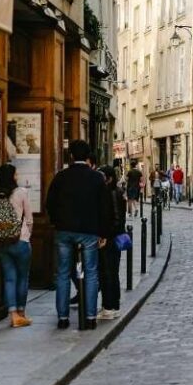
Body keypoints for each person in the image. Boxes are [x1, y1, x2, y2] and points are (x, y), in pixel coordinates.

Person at [45, 138, 110, 330]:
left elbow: (49, 203)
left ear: (71, 156)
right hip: (89, 232)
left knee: (63, 273)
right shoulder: (97, 178)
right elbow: (104, 207)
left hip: (64, 231)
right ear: (88, 156)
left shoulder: (61, 177)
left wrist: (57, 222)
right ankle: (90, 317)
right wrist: (103, 232)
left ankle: (63, 318)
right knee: (91, 273)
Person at [0, 163, 33, 328]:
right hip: (20, 240)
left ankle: (13, 315)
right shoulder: (21, 192)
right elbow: (29, 218)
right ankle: (22, 312)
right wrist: (27, 234)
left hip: (2, 241)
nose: (17, 176)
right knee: (23, 278)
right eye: (16, 174)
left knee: (9, 278)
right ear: (12, 176)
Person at [98, 166, 126, 319]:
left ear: (108, 178)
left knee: (108, 272)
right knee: (112, 272)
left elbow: (116, 219)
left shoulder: (112, 193)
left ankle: (110, 306)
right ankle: (113, 305)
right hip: (114, 237)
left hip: (111, 239)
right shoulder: (117, 192)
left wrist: (106, 237)